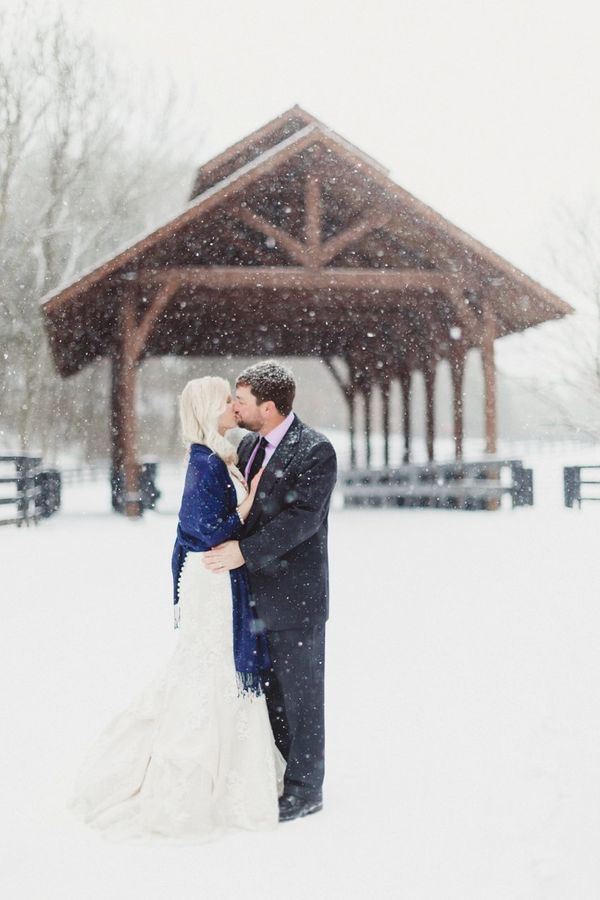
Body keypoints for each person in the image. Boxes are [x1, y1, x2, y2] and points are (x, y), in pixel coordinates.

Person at [69, 376, 284, 841]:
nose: (233, 405)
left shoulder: (217, 455)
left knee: (218, 670)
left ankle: (228, 773)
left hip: (217, 577)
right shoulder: (204, 462)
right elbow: (204, 527)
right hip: (210, 577)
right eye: (226, 399)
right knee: (208, 670)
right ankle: (188, 782)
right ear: (211, 409)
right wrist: (247, 505)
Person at [204, 361, 337, 822]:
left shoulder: (316, 451)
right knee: (267, 692)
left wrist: (245, 551)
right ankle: (276, 769)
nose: (234, 407)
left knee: (301, 694)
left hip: (295, 596)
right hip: (250, 598)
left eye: (240, 400)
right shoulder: (246, 444)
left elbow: (303, 520)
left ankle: (305, 789)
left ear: (270, 406)